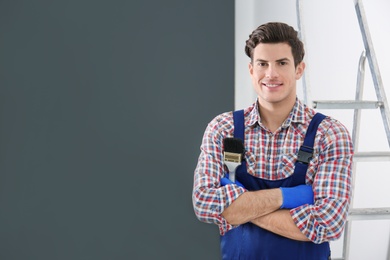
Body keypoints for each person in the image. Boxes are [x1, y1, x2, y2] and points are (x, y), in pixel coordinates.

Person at [192, 22, 354, 259]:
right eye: (262, 64)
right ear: (251, 70)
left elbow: (328, 223)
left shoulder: (329, 134)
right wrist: (290, 197)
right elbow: (204, 203)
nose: (271, 74)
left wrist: (240, 206)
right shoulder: (223, 129)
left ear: (299, 69)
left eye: (282, 63)